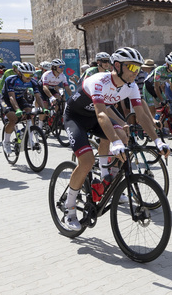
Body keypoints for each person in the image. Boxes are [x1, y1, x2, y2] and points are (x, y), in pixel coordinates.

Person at [60, 48, 166, 232]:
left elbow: (141, 115)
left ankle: (106, 179)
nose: (135, 71)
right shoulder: (99, 80)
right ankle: (68, 209)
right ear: (117, 66)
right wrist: (115, 141)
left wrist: (158, 141)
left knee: (124, 135)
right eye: (131, 67)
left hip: (96, 116)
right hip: (76, 117)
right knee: (86, 161)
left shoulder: (131, 86)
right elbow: (101, 112)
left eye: (138, 68)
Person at [0, 62, 42, 156]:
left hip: (19, 98)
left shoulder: (32, 81)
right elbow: (11, 97)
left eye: (31, 74)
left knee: (30, 113)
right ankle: (6, 142)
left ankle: (28, 139)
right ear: (19, 73)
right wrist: (18, 110)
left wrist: (44, 109)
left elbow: (38, 97)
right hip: (6, 99)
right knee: (14, 119)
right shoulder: (11, 80)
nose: (29, 77)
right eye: (27, 74)